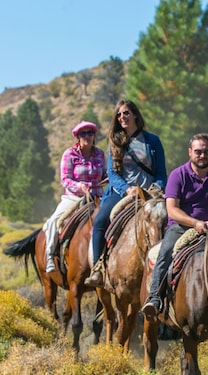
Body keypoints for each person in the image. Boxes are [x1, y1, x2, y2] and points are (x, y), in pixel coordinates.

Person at [140, 132, 208, 317]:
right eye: (198, 151)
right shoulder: (178, 175)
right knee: (164, 253)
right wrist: (195, 222)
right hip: (181, 227)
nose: (202, 155)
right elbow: (172, 209)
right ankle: (155, 298)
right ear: (190, 152)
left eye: (207, 151)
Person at [85, 100, 167, 288]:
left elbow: (161, 172)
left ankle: (171, 266)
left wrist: (156, 188)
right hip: (121, 193)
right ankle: (98, 268)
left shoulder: (152, 141)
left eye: (126, 113)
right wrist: (126, 189)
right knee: (99, 221)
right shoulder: (115, 142)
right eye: (119, 115)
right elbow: (112, 174)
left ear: (135, 115)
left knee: (169, 221)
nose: (122, 117)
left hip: (150, 194)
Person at [44, 121, 106, 273]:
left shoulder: (100, 154)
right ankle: (50, 256)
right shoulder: (69, 154)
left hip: (97, 197)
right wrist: (80, 187)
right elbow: (65, 179)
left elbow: (104, 174)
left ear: (94, 136)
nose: (87, 137)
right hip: (74, 198)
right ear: (78, 137)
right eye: (83, 134)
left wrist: (108, 178)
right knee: (54, 221)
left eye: (90, 133)